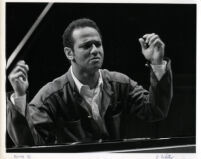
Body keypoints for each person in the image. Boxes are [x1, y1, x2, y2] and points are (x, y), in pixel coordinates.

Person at [7, 18, 173, 146]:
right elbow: (28, 144)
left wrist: (157, 63)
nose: (95, 50)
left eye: (98, 44)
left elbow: (156, 111)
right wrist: (20, 95)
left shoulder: (120, 83)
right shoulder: (50, 95)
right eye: (86, 46)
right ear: (69, 53)